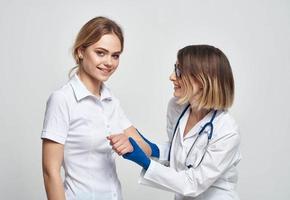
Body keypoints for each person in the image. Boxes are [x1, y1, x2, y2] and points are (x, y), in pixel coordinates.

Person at [109, 45, 242, 200]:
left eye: (179, 72)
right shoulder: (177, 107)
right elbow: (181, 152)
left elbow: (194, 183)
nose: (172, 76)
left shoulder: (226, 130)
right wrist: (151, 148)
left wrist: (144, 161)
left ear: (203, 80)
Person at [41, 16, 150, 200]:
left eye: (115, 55)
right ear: (81, 51)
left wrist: (130, 144)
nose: (109, 62)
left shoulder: (111, 100)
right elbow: (50, 172)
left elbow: (145, 149)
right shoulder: (62, 99)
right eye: (101, 52)